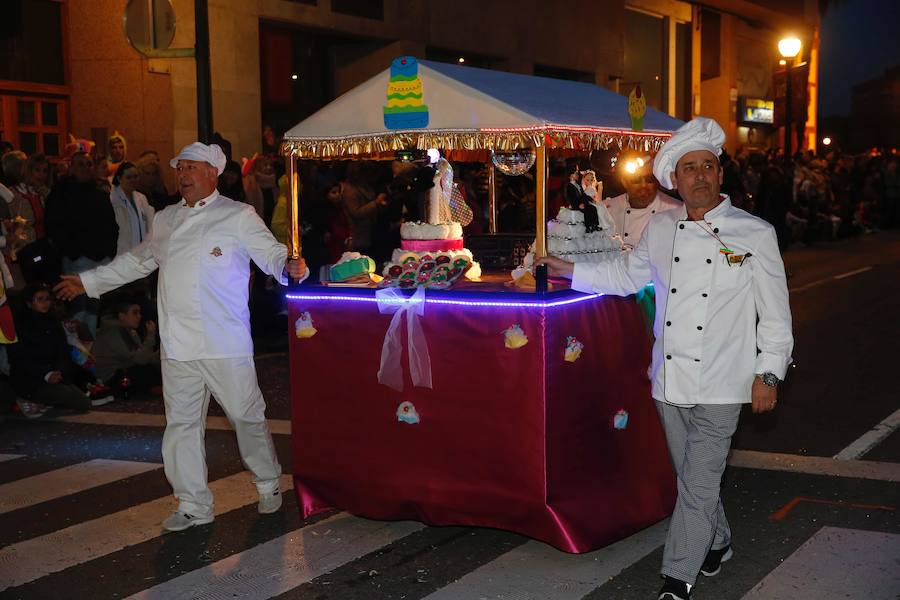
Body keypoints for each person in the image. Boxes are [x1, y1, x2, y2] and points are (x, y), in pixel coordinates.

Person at [536, 117, 793, 600]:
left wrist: (768, 372)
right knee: (693, 476)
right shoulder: (660, 228)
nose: (699, 176)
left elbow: (775, 314)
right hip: (668, 377)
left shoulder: (754, 232)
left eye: (708, 167)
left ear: (721, 174)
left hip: (724, 379)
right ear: (674, 180)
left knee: (696, 486)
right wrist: (568, 269)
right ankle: (717, 541)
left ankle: (677, 579)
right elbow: (625, 275)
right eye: (689, 168)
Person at [53, 142, 308, 532]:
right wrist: (88, 282)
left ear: (212, 173)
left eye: (191, 168)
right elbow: (137, 261)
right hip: (177, 343)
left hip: (225, 341)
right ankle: (192, 504)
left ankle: (268, 481)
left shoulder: (238, 216)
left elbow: (272, 255)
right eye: (180, 168)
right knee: (182, 425)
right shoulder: (166, 218)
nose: (183, 175)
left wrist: (291, 266)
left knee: (246, 416)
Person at [44, 151, 119, 335]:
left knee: (93, 309)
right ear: (71, 167)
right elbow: (54, 225)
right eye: (80, 164)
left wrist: (110, 252)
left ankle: (89, 350)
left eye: (88, 164)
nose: (85, 168)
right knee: (77, 308)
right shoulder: (61, 192)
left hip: (100, 259)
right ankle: (75, 352)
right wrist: (72, 251)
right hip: (77, 260)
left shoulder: (99, 193)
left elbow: (111, 225)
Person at [9, 284, 113, 413]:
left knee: (84, 403)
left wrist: (59, 371)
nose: (45, 303)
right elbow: (19, 358)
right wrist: (46, 374)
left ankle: (47, 399)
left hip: (56, 374)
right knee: (73, 399)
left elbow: (63, 350)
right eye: (40, 299)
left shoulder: (53, 321)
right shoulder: (19, 325)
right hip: (32, 378)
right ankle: (28, 399)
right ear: (29, 303)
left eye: (47, 299)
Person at [600, 152, 682, 247]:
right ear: (625, 182)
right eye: (636, 180)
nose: (644, 185)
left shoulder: (676, 210)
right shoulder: (606, 209)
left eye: (649, 179)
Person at [92, 298, 161, 396]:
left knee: (161, 367)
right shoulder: (114, 331)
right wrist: (150, 335)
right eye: (135, 313)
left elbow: (143, 356)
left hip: (123, 369)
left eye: (139, 313)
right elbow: (140, 360)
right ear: (122, 316)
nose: (139, 316)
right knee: (147, 372)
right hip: (109, 377)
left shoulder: (130, 331)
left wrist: (162, 356)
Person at [110, 161, 155, 255]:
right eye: (129, 177)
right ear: (119, 178)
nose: (133, 180)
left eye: (135, 177)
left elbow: (150, 226)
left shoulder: (142, 198)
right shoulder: (112, 200)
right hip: (120, 254)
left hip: (141, 253)